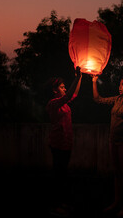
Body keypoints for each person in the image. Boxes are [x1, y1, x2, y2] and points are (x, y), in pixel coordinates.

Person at [92, 74, 123, 217]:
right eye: (120, 84)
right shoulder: (117, 100)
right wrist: (94, 82)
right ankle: (117, 202)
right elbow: (97, 99)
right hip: (113, 141)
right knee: (117, 173)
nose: (120, 87)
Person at [45, 66, 82, 217]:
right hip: (58, 145)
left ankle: (61, 203)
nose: (64, 88)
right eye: (61, 87)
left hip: (66, 144)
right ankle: (55, 206)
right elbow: (68, 96)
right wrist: (77, 77)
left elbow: (74, 93)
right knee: (59, 176)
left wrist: (79, 79)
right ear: (55, 90)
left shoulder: (63, 104)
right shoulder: (53, 104)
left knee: (63, 175)